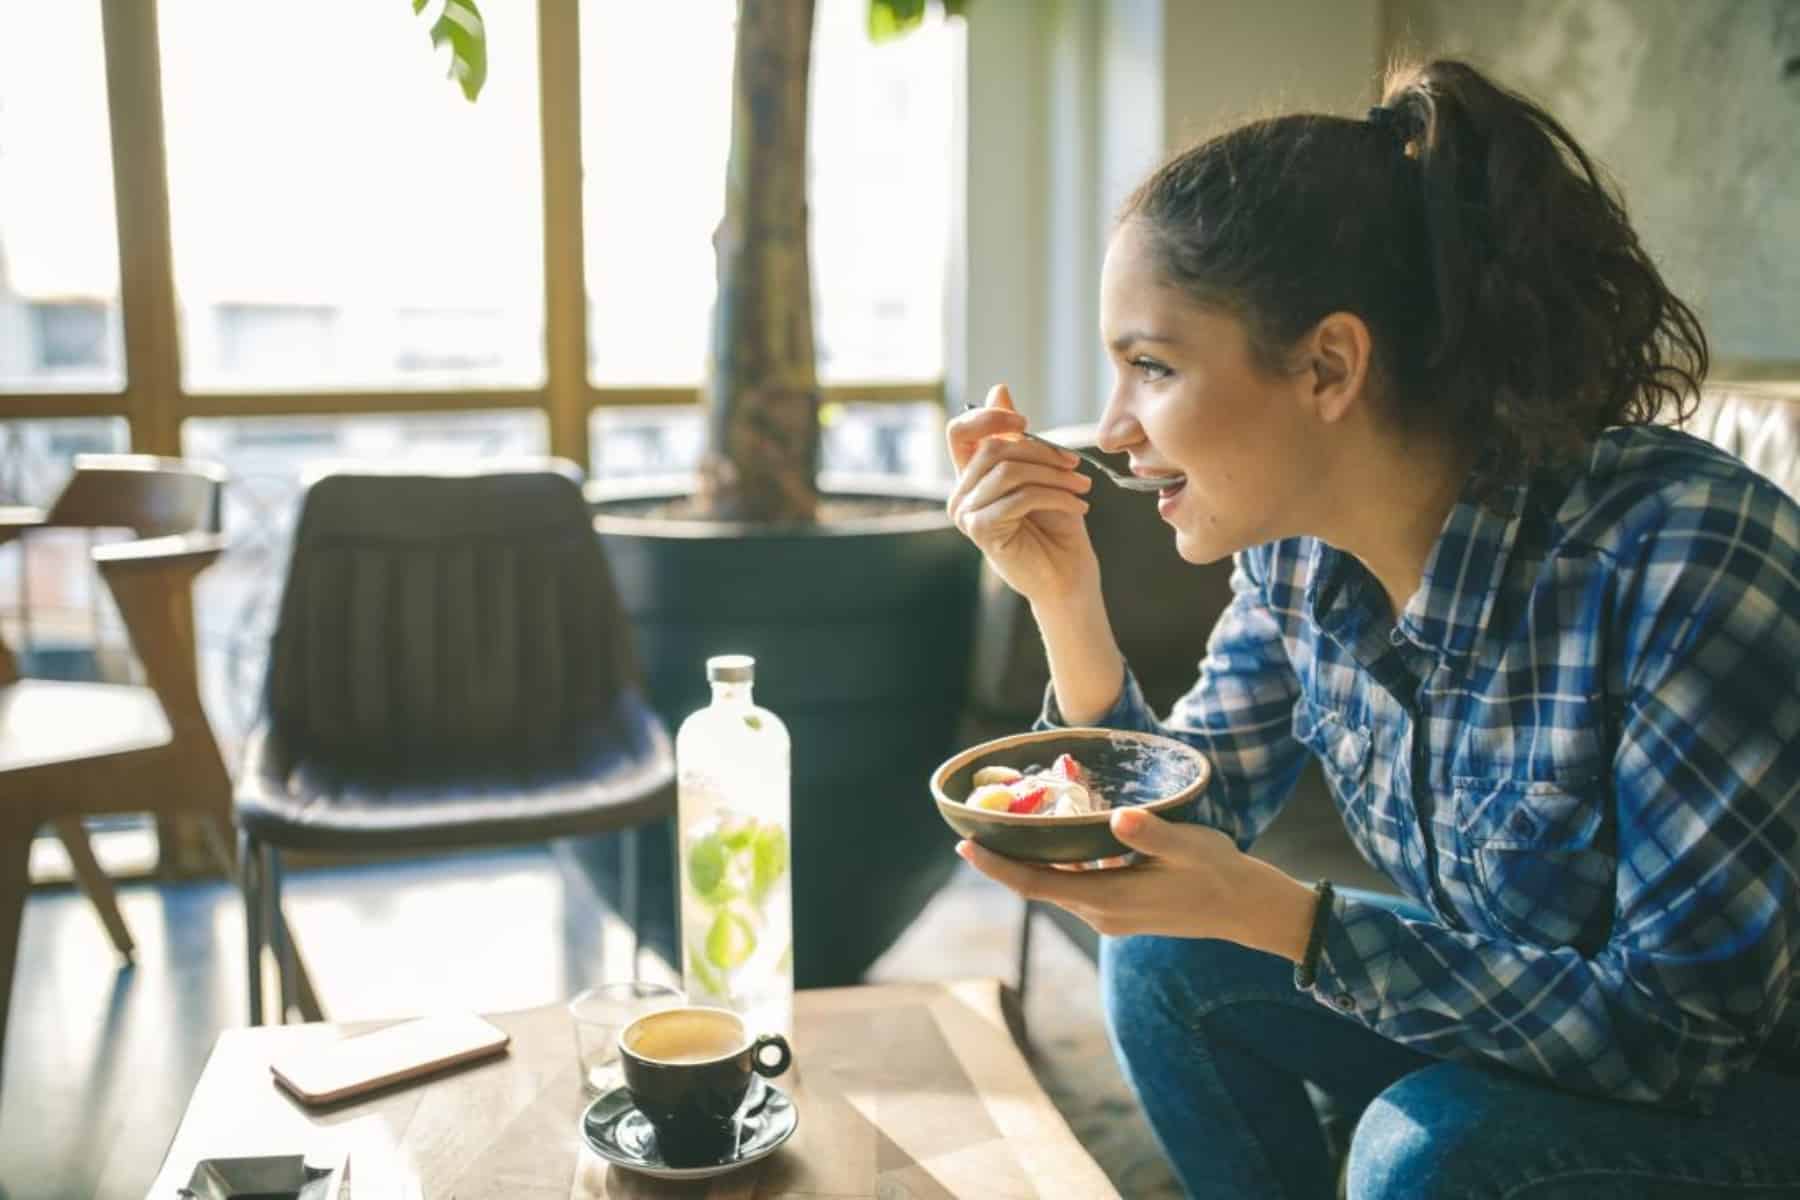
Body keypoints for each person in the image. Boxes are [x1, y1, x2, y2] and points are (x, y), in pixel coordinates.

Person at [945, 59, 1800, 1200]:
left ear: (1329, 366)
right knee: (1161, 959)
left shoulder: (1687, 566)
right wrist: (1063, 597)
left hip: (1739, 1094)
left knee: (1427, 1145)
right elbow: (1179, 821)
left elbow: (1683, 1038)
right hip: (1537, 1026)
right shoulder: (1296, 558)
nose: (1110, 432)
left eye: (1152, 366)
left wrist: (1294, 924)